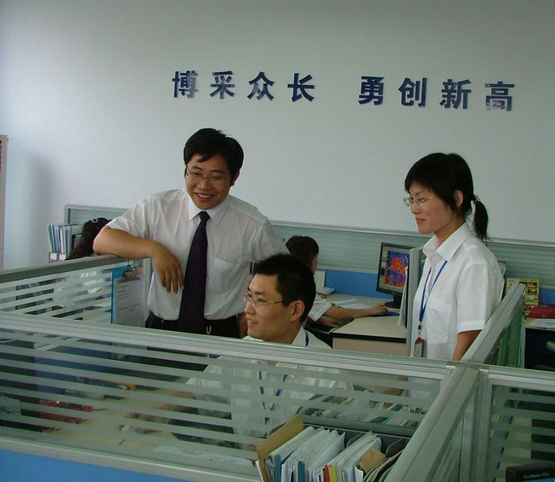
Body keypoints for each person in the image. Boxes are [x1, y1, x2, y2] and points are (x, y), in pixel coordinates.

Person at [123, 254, 346, 444]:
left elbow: (335, 443)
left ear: (295, 310)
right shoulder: (242, 353)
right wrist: (161, 409)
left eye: (260, 301)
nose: (248, 309)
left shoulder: (327, 374)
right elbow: (200, 389)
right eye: (249, 297)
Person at [93, 128, 286, 337]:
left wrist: (255, 311)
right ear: (185, 170)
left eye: (216, 177)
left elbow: (289, 275)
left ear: (234, 177)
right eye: (195, 173)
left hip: (220, 335)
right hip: (161, 332)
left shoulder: (252, 224)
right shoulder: (158, 207)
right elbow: (103, 240)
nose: (203, 185)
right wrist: (154, 250)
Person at [404, 153, 504, 361]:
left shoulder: (474, 263)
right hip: (423, 379)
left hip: (448, 382)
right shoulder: (433, 255)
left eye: (421, 199)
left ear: (456, 199)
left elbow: (468, 349)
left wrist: (448, 385)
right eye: (411, 200)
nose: (414, 209)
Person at [286, 235, 388, 327]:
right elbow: (338, 314)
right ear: (306, 262)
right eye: (315, 258)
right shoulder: (302, 289)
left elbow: (295, 315)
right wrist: (371, 310)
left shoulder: (287, 282)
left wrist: (320, 319)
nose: (317, 262)